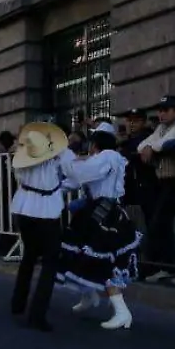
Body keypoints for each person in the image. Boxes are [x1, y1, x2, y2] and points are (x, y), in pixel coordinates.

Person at [57, 124, 142, 330]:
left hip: (105, 214)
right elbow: (76, 179)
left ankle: (121, 311)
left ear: (96, 144)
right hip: (97, 211)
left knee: (103, 258)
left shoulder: (108, 156)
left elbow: (80, 174)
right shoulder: (106, 158)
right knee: (83, 254)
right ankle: (89, 295)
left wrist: (65, 155)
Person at [8, 122, 76, 332]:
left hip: (23, 207)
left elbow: (19, 175)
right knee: (50, 261)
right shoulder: (62, 154)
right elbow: (75, 176)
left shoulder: (23, 153)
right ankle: (37, 314)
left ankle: (18, 302)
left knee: (29, 255)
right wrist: (59, 188)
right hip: (46, 209)